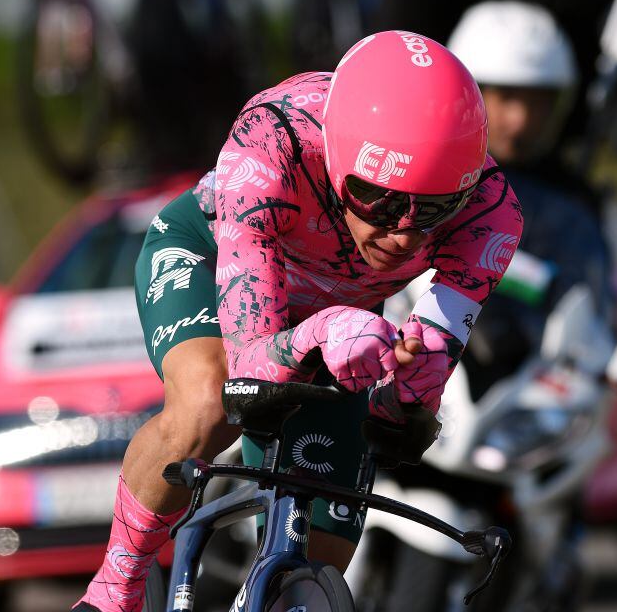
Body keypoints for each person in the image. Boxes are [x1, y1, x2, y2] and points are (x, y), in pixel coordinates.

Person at [74, 30, 524, 611]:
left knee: (323, 550)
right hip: (215, 262)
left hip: (344, 321)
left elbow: (415, 400)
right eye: (379, 200)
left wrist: (408, 387)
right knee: (208, 405)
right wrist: (324, 330)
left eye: (433, 210)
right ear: (336, 155)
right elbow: (252, 367)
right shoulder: (273, 137)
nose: (403, 232)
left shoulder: (492, 212)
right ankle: (116, 586)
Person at [446, 1, 615, 390]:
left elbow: (588, 301)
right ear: (468, 92)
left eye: (536, 100)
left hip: (531, 392)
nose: (520, 119)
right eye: (506, 96)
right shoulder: (423, 177)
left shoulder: (573, 201)